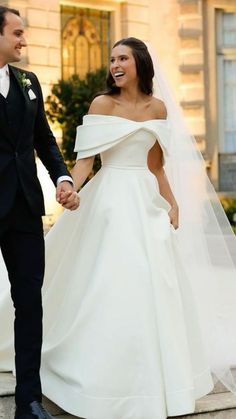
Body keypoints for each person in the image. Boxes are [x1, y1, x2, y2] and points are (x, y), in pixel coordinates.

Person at [1, 36, 236, 419]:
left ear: (139, 62)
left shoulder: (158, 108)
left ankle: (154, 382)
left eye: (123, 58)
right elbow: (85, 163)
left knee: (153, 283)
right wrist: (69, 188)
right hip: (109, 203)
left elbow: (156, 166)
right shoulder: (101, 104)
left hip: (146, 204)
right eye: (112, 59)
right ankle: (100, 379)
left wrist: (172, 202)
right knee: (111, 284)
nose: (115, 65)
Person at [0, 6, 79, 419]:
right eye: (16, 33)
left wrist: (62, 178)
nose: (24, 40)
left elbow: (44, 140)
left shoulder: (29, 82)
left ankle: (28, 399)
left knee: (30, 302)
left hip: (27, 208)